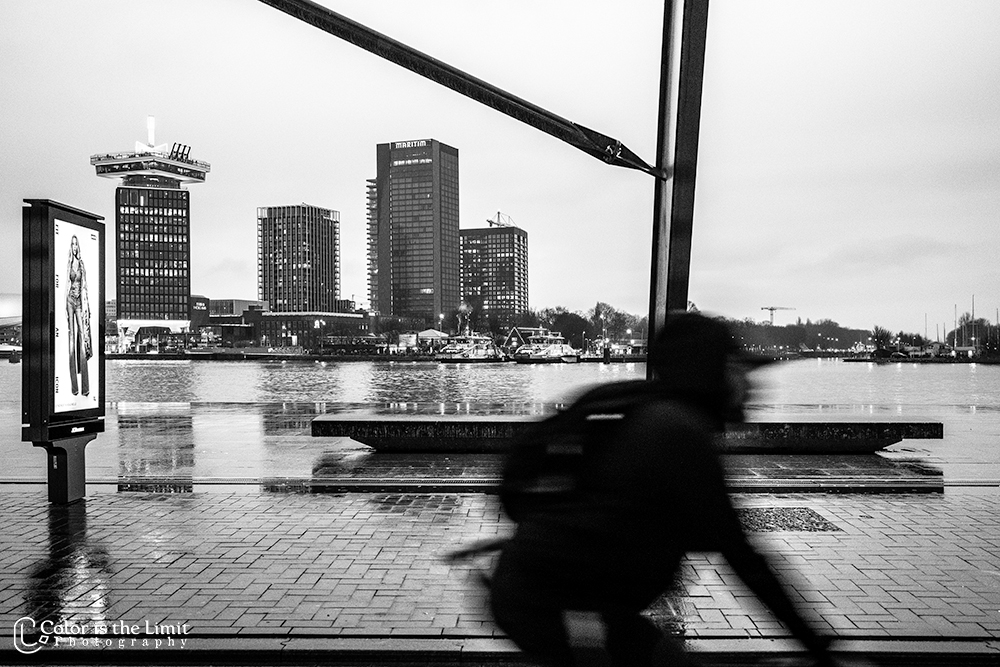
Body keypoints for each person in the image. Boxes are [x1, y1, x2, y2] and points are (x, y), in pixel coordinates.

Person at [487, 312, 834, 667]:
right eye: (740, 367)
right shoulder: (678, 432)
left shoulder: (655, 416)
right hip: (554, 606)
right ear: (716, 370)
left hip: (556, 595)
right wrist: (819, 649)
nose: (751, 383)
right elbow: (744, 560)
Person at [65, 235, 92, 396]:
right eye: (72, 244)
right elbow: (65, 286)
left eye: (77, 244)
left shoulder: (81, 264)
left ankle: (86, 388)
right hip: (69, 301)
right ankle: (74, 388)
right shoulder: (68, 264)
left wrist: (87, 308)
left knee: (82, 340)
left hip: (80, 303)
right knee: (71, 343)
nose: (75, 247)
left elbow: (85, 287)